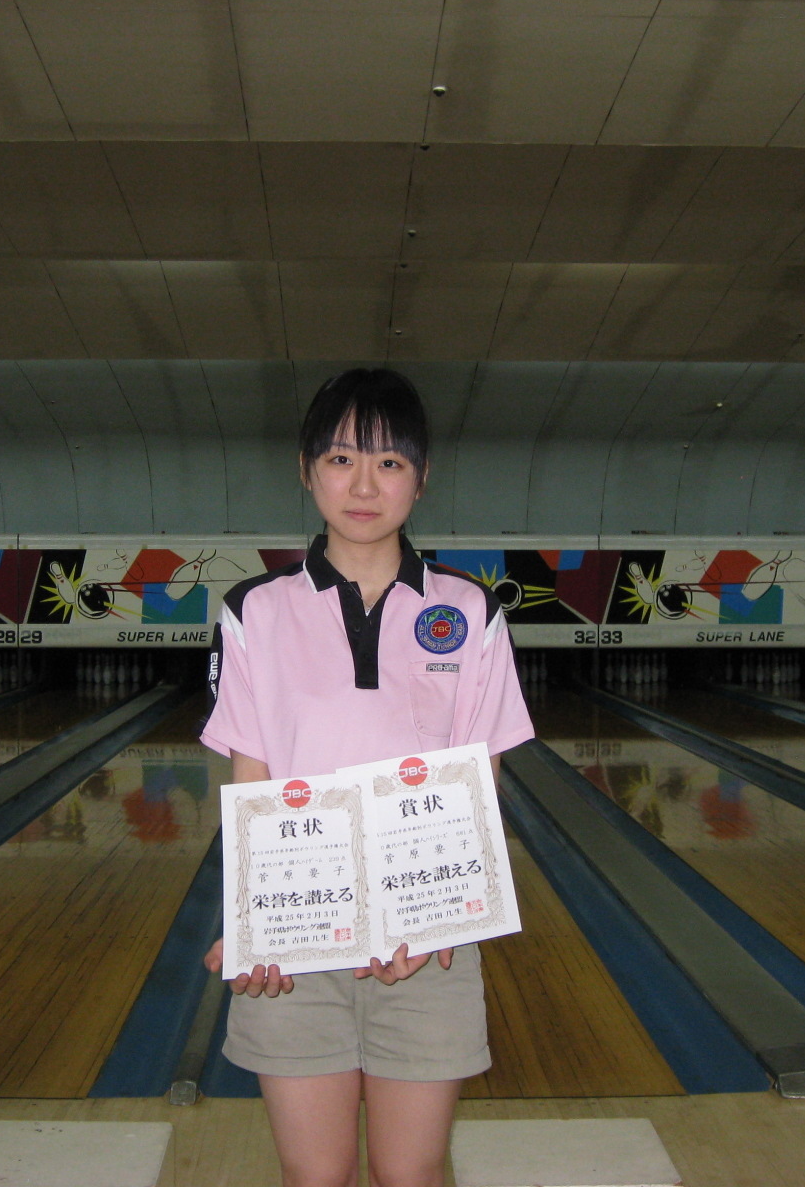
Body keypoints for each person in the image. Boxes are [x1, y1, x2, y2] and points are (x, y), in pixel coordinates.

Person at [200, 368, 534, 1187]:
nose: (362, 485)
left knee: (408, 1174)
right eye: (341, 458)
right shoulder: (254, 610)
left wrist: (437, 921)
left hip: (431, 943)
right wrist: (253, 925)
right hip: (299, 938)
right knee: (315, 1177)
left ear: (421, 479)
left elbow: (480, 785)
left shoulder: (471, 612)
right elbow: (252, 779)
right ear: (306, 469)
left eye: (389, 463)